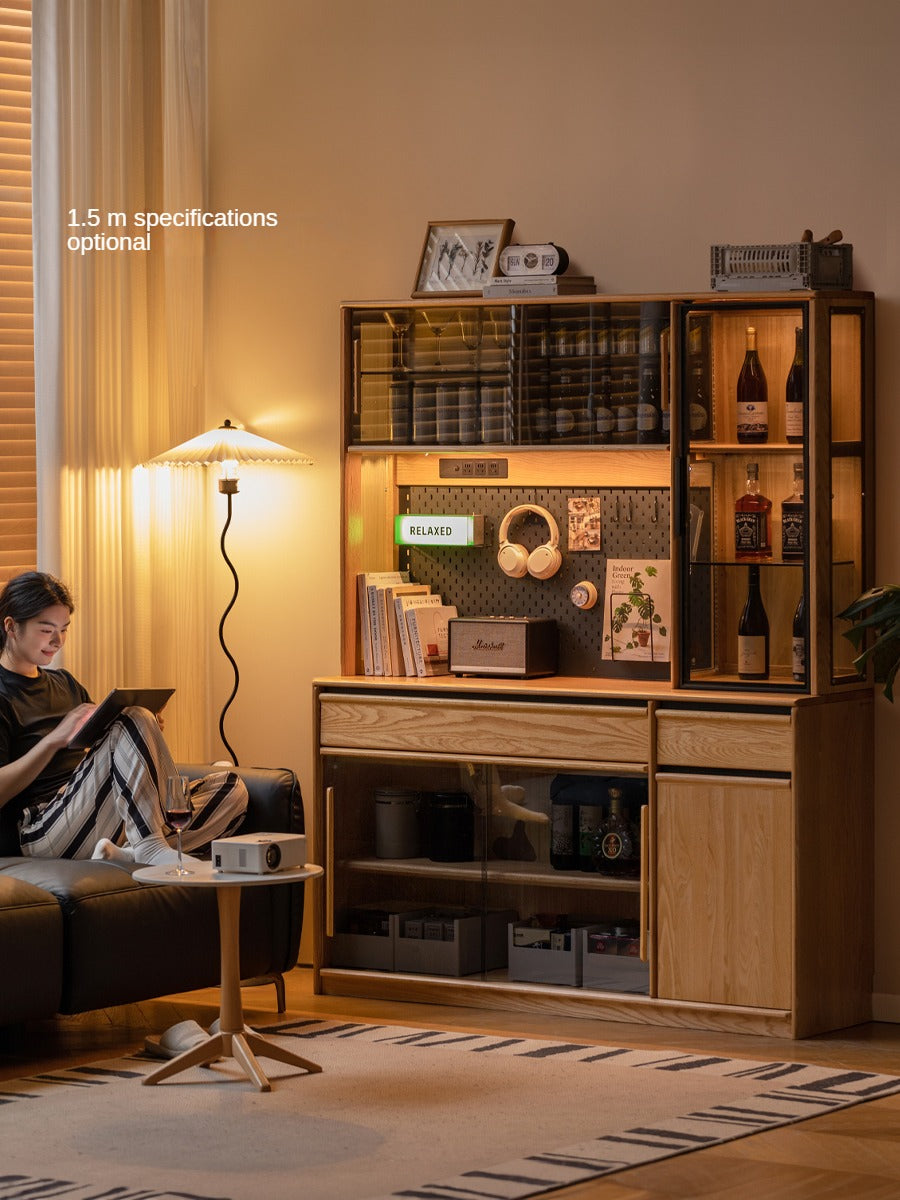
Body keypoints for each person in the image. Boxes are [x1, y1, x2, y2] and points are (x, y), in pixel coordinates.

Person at [0, 570, 248, 864]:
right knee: (130, 717)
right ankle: (150, 846)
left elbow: (107, 750)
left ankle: (127, 853)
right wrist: (53, 741)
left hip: (100, 817)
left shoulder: (65, 683)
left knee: (232, 789)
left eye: (64, 628)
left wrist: (146, 735)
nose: (58, 640)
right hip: (41, 830)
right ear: (11, 627)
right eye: (46, 629)